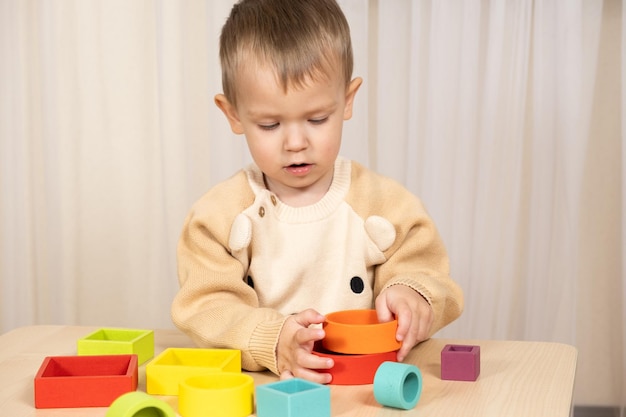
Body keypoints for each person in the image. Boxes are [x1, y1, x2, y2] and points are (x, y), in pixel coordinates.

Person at [171, 0, 463, 384]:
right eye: (271, 124)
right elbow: (206, 305)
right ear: (234, 115)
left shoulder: (382, 203)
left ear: (347, 101)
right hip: (270, 391)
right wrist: (272, 339)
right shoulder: (219, 217)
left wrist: (412, 293)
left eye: (317, 119)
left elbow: (426, 269)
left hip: (372, 388)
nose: (295, 142)